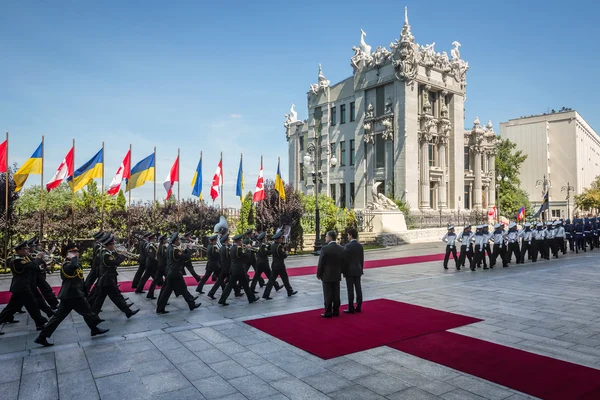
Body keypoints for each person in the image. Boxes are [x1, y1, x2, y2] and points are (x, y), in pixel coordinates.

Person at [34, 243, 109, 347]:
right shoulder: (66, 265)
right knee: (84, 312)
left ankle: (94, 328)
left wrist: (83, 290)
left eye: (77, 251)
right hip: (70, 295)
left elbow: (80, 278)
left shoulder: (75, 263)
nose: (76, 253)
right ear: (67, 254)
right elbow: (72, 268)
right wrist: (73, 258)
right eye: (73, 252)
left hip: (75, 294)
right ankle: (94, 325)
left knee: (82, 312)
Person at [0, 241, 48, 332]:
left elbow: (34, 266)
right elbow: (32, 266)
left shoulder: (24, 258)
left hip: (22, 287)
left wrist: (41, 263)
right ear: (20, 250)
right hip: (21, 287)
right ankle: (40, 323)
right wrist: (38, 258)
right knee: (32, 305)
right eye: (25, 249)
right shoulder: (17, 260)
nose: (28, 250)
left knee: (12, 308)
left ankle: (39, 323)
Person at [92, 235, 140, 318]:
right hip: (107, 280)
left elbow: (114, 259)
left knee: (112, 298)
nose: (114, 246)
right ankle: (92, 316)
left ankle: (128, 312)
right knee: (102, 299)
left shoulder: (106, 252)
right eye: (112, 244)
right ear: (109, 245)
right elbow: (115, 262)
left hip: (107, 279)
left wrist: (119, 254)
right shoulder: (106, 255)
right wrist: (123, 255)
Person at [156, 233, 201, 314]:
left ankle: (160, 308)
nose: (179, 241)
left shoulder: (170, 247)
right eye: (178, 240)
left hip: (170, 272)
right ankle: (191, 304)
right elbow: (185, 257)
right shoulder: (175, 250)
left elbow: (180, 255)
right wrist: (190, 248)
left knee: (167, 291)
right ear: (175, 241)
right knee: (183, 289)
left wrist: (185, 250)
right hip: (175, 272)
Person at [218, 234, 258, 306]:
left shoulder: (233, 247)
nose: (242, 241)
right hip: (239, 269)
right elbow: (246, 256)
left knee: (233, 285)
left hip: (234, 269)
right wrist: (249, 249)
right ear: (239, 241)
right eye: (241, 240)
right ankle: (251, 298)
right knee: (244, 284)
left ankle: (222, 299)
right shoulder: (238, 249)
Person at [262, 231, 297, 300]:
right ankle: (289, 291)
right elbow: (284, 256)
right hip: (280, 266)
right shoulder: (279, 246)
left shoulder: (272, 245)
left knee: (271, 281)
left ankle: (266, 294)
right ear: (278, 239)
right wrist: (286, 252)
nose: (281, 239)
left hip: (274, 265)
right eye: (281, 238)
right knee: (285, 279)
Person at [317, 231, 344, 318]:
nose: (325, 238)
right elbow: (343, 261)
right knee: (336, 293)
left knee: (328, 294)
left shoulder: (325, 248)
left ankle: (328, 312)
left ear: (331, 238)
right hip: (337, 274)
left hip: (327, 274)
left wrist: (319, 273)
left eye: (326, 237)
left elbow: (321, 263)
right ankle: (336, 311)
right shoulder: (340, 248)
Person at [343, 228, 363, 313]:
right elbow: (361, 259)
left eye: (348, 235)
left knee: (350, 290)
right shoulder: (360, 246)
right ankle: (358, 306)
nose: (347, 236)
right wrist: (361, 268)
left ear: (350, 235)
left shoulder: (347, 246)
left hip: (349, 270)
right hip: (358, 269)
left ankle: (350, 307)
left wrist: (344, 271)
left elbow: (345, 260)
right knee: (358, 288)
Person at [207, 234, 232, 300]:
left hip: (223, 266)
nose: (229, 241)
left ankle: (212, 293)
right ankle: (222, 298)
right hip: (226, 267)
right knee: (230, 280)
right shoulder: (225, 249)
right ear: (226, 241)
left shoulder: (222, 248)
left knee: (221, 281)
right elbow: (228, 258)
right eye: (228, 240)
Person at [147, 235, 167, 300]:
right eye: (165, 239)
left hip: (159, 266)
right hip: (161, 266)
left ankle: (150, 293)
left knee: (156, 281)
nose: (166, 240)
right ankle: (162, 298)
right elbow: (164, 256)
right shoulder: (162, 247)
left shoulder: (159, 246)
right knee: (168, 281)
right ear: (163, 240)